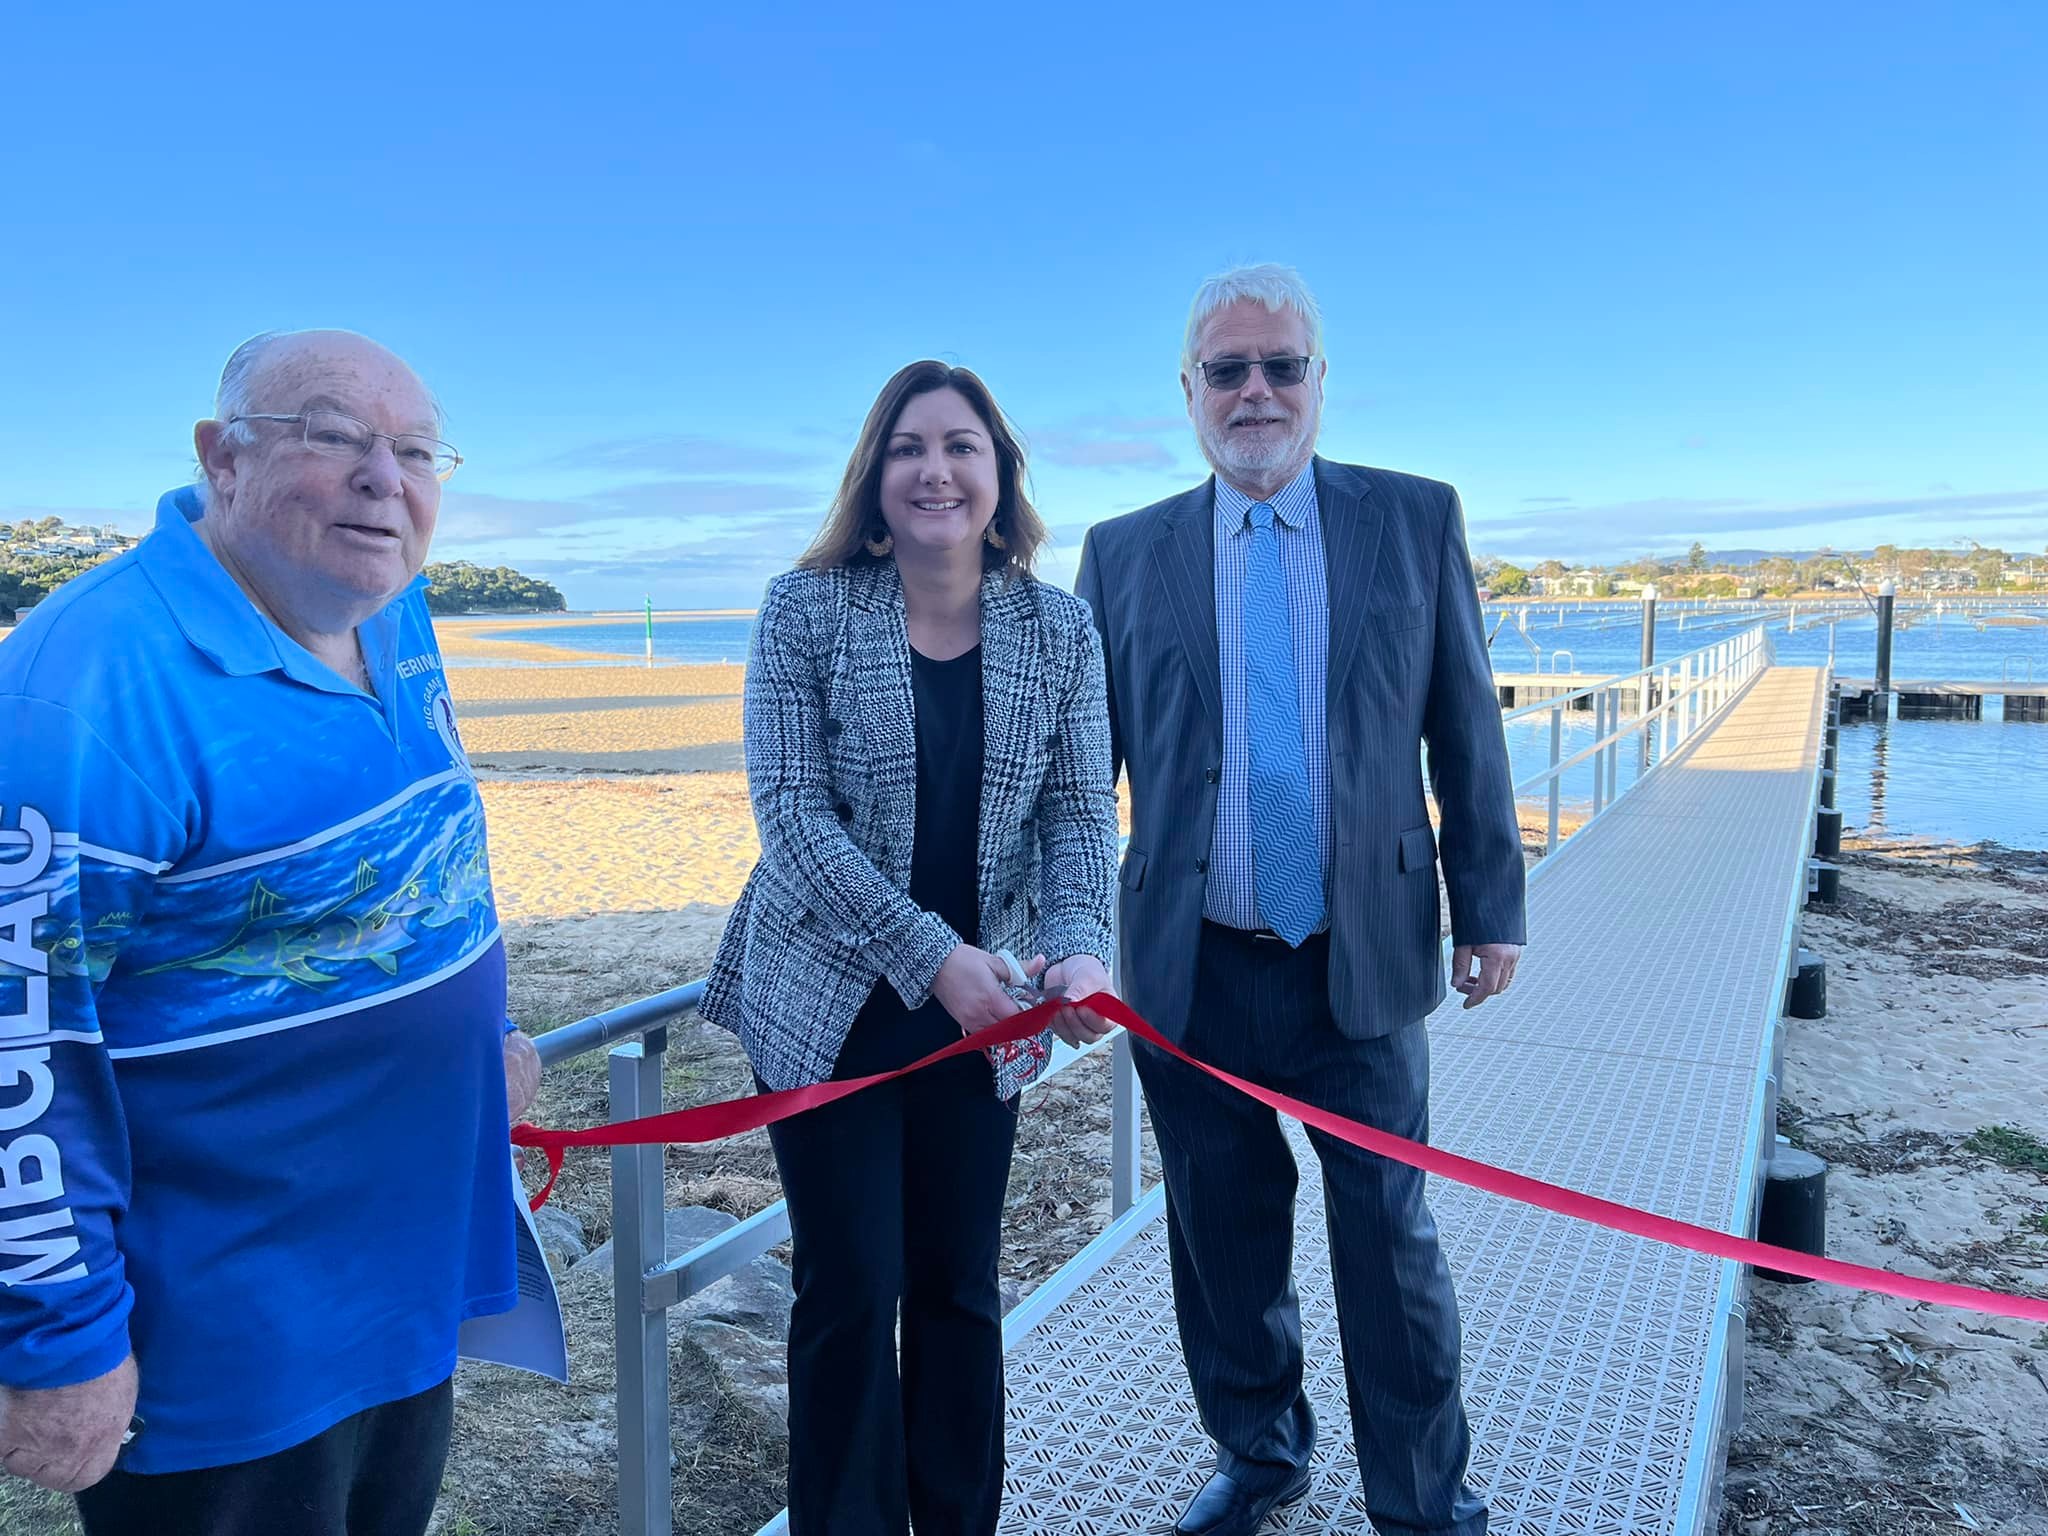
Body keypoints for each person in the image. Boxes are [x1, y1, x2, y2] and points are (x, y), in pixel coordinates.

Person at [0, 330, 542, 1536]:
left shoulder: (393, 611)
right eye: (335, 435)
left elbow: (434, 850)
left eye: (411, 450)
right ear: (220, 456)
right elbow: (16, 1046)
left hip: (404, 1276)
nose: (382, 479)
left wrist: (484, 1033)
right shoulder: (83, 689)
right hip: (229, 1326)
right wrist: (56, 1343)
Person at [1075, 265, 1526, 1536]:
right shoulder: (1122, 554)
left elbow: (1463, 729)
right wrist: (1052, 938)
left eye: (1281, 366)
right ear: (1188, 394)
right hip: (1187, 966)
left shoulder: (1413, 520)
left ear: (1322, 381)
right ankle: (1261, 1459)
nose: (1255, 392)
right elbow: (1076, 777)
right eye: (1228, 370)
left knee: (1387, 1245)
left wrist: (1490, 903)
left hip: (1363, 954)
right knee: (1222, 1248)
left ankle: (1423, 1501)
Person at [701, 360, 1120, 1536]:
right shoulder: (805, 607)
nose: (934, 469)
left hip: (984, 1012)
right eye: (907, 447)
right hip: (828, 999)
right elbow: (788, 812)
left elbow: (1081, 817)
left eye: (960, 446)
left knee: (956, 1291)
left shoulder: (1062, 627)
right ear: (872, 478)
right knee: (849, 1292)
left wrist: (1082, 954)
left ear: (1000, 475)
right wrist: (927, 951)